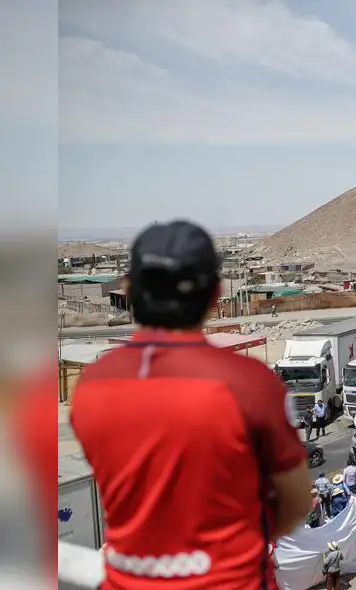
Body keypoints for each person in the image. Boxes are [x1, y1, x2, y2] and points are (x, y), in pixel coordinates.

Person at [70, 221, 312, 588]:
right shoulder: (251, 385)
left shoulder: (92, 385)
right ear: (216, 295)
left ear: (130, 291)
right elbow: (295, 504)